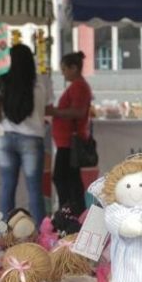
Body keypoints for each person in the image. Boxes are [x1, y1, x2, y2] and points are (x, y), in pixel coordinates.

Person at [0, 44, 53, 225]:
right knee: (35, 188)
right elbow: (48, 107)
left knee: (7, 187)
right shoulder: (42, 80)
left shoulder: (1, 80)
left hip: (5, 137)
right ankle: (40, 233)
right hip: (32, 139)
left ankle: (5, 232)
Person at [48, 51, 93, 216]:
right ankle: (72, 210)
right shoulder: (77, 86)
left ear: (74, 68)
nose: (63, 72)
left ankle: (68, 210)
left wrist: (55, 112)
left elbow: (78, 112)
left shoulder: (79, 87)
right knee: (70, 178)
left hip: (69, 141)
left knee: (62, 178)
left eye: (64, 69)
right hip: (66, 140)